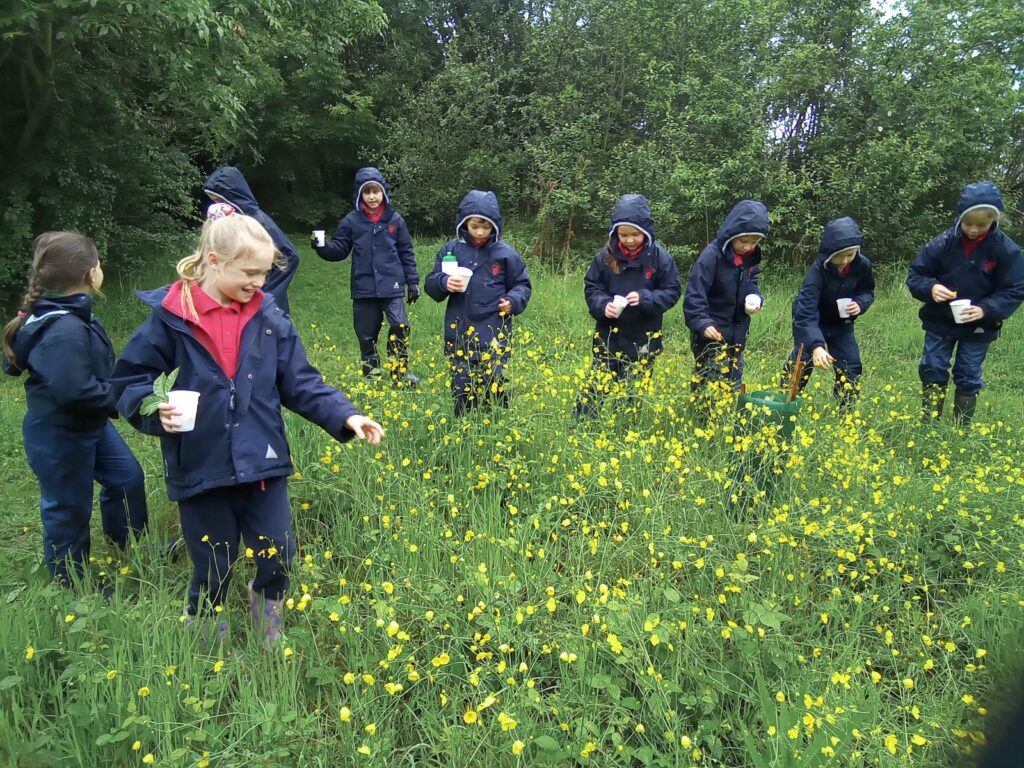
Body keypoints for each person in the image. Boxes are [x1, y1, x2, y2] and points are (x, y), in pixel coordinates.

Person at [111, 213, 383, 648]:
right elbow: (128, 381)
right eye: (250, 272)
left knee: (279, 553)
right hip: (199, 465)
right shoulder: (171, 318)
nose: (259, 281)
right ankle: (205, 643)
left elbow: (301, 380)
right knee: (213, 562)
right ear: (215, 261)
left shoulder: (268, 317)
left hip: (263, 460)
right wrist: (152, 410)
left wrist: (346, 415)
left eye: (264, 272)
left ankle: (267, 625)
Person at [2, 232, 148, 589]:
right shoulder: (64, 329)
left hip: (88, 426)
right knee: (68, 507)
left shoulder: (66, 310)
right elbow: (74, 391)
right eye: (98, 263)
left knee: (127, 478)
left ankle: (127, 544)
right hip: (60, 434)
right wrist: (124, 395)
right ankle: (72, 583)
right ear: (89, 272)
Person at [907, 181, 1024, 426]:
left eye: (981, 225)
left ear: (994, 220)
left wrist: (985, 309)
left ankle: (961, 431)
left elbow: (1015, 288)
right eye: (968, 223)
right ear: (960, 217)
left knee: (968, 374)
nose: (973, 229)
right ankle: (928, 424)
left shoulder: (1006, 249)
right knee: (932, 368)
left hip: (980, 325)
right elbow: (916, 276)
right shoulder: (942, 243)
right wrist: (931, 288)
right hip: (939, 320)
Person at [424, 190, 531, 416]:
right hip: (460, 331)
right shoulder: (451, 251)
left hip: (494, 331)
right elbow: (431, 284)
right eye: (475, 226)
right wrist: (444, 283)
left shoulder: (505, 254)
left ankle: (497, 425)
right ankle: (464, 427)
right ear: (465, 223)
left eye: (486, 227)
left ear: (495, 226)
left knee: (495, 384)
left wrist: (513, 301)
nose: (480, 232)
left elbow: (522, 285)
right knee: (462, 386)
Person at [574, 194, 681, 418]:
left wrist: (645, 298)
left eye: (635, 234)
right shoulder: (604, 257)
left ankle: (623, 431)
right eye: (624, 235)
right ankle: (580, 426)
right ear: (615, 233)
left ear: (646, 232)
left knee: (632, 393)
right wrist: (603, 306)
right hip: (608, 334)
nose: (630, 240)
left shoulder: (660, 258)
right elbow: (592, 287)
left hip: (644, 336)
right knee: (595, 386)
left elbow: (672, 291)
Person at [312, 167, 420, 384]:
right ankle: (373, 377)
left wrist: (413, 282)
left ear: (383, 193)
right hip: (364, 289)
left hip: (392, 286)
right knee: (366, 336)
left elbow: (406, 252)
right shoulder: (352, 221)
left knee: (400, 326)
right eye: (367, 192)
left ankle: (400, 373)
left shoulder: (395, 220)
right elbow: (340, 250)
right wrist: (322, 247)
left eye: (376, 191)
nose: (372, 196)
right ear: (360, 195)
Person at [781, 216, 875, 409]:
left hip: (841, 324)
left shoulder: (862, 265)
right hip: (812, 322)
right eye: (840, 256)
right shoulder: (817, 271)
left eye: (850, 254)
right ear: (830, 254)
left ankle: (846, 413)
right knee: (801, 362)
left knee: (851, 366)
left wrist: (860, 304)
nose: (845, 260)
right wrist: (816, 346)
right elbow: (805, 313)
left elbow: (867, 291)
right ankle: (784, 404)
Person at [684, 199, 770, 407]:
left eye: (754, 242)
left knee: (733, 377)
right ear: (733, 233)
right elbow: (694, 295)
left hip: (738, 331)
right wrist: (703, 323)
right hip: (711, 332)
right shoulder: (711, 256)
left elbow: (751, 284)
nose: (748, 246)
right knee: (709, 379)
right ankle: (703, 421)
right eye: (743, 241)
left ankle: (725, 420)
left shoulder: (750, 258)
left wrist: (756, 298)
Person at [203, 166, 301, 316]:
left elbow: (290, 256)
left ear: (231, 195)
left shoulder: (258, 222)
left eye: (219, 199)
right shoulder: (233, 223)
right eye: (214, 200)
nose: (217, 204)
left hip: (265, 310)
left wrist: (263, 291)